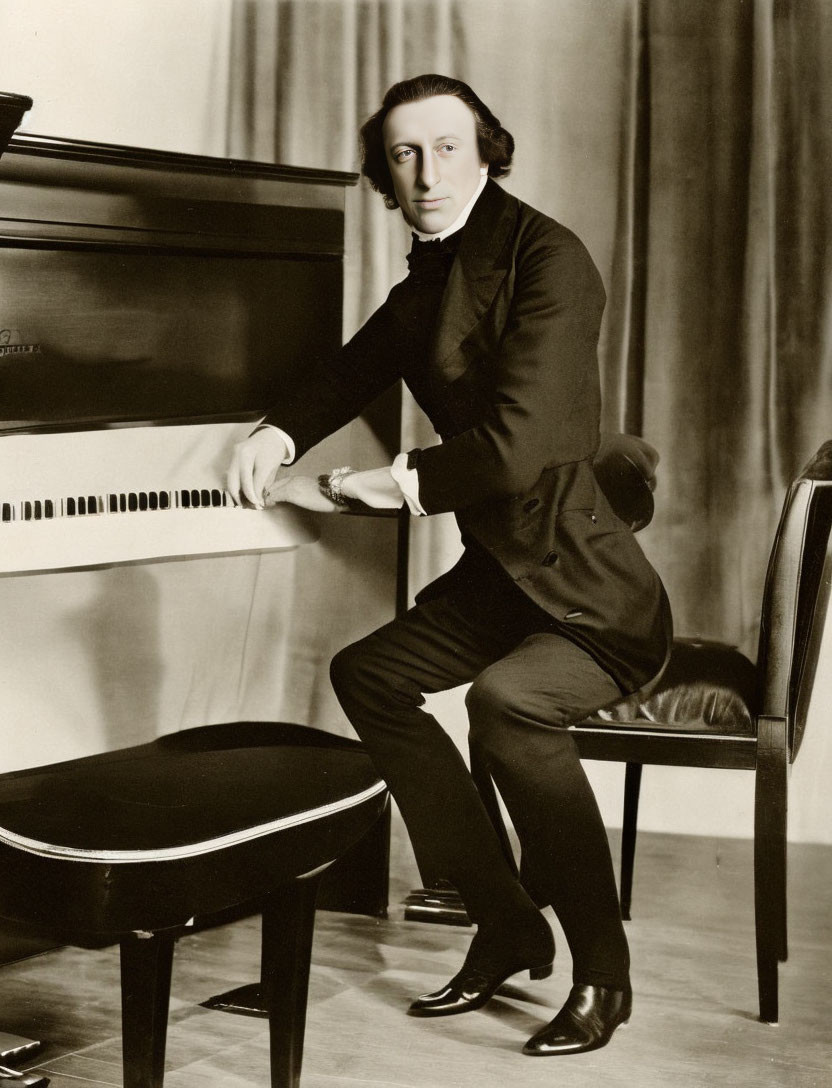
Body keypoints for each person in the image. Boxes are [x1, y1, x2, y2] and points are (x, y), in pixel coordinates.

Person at [226, 73, 672, 1057]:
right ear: (384, 171)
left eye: (446, 146)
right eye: (403, 153)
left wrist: (348, 488)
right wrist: (274, 432)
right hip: (502, 575)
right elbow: (354, 364)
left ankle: (603, 969)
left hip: (587, 589)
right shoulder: (430, 274)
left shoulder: (549, 257)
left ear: (487, 150)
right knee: (368, 674)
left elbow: (511, 449)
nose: (425, 171)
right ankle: (506, 919)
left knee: (507, 704)